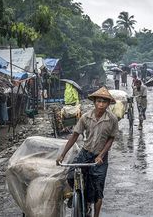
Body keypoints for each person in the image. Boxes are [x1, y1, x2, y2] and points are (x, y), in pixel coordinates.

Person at [56, 87, 119, 217]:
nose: (101, 104)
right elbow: (74, 135)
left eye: (104, 102)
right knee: (70, 175)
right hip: (85, 153)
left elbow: (111, 138)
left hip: (100, 157)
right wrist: (62, 154)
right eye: (98, 101)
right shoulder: (85, 117)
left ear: (108, 104)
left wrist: (101, 155)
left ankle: (95, 215)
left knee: (97, 190)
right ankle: (78, 196)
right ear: (94, 102)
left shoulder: (112, 119)